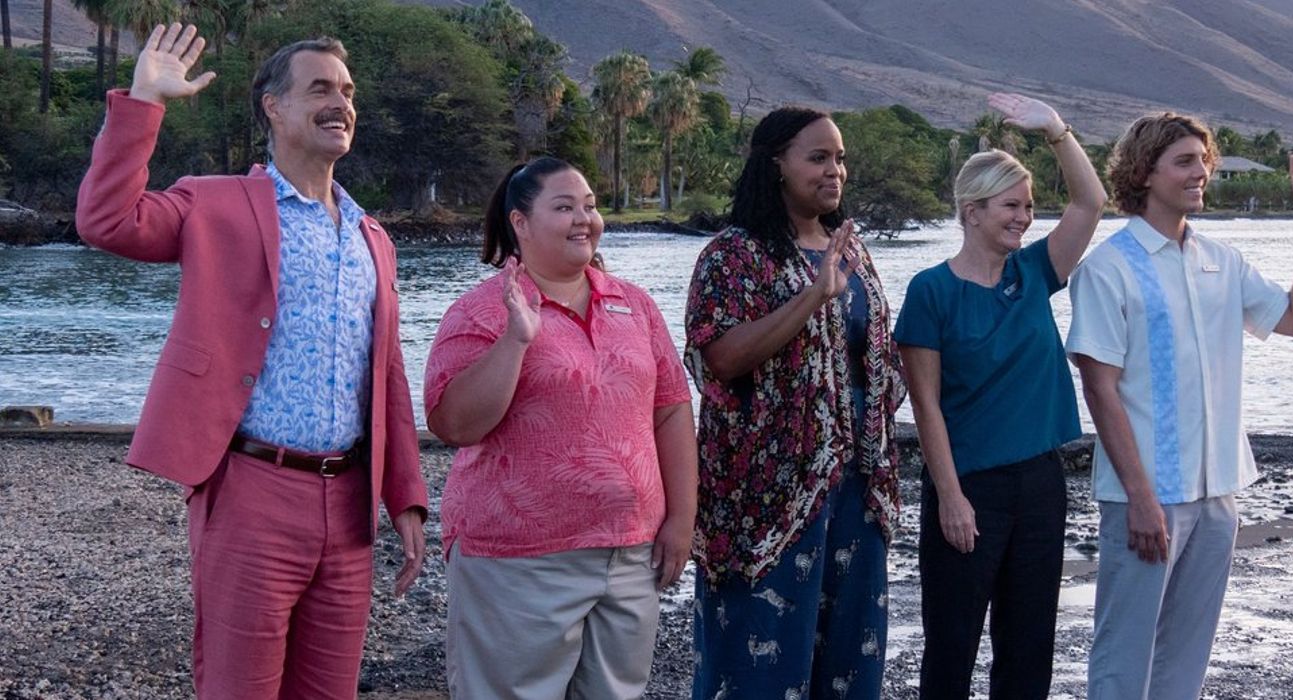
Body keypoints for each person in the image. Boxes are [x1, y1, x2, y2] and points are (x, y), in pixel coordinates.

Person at [74, 25, 428, 698]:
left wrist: (405, 496)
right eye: (319, 88)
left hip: (350, 505)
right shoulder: (215, 203)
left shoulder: (370, 236)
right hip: (251, 490)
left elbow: (384, 375)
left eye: (347, 92)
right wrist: (144, 101)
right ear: (273, 106)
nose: (339, 104)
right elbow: (105, 221)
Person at [1066, 113, 1293, 699]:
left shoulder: (1223, 261)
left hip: (1218, 496)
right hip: (1147, 497)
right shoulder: (1107, 269)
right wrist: (1139, 498)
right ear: (1144, 172)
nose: (1202, 172)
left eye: (1203, 160)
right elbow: (1099, 387)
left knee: (1188, 656)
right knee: (1123, 654)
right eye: (1185, 162)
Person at [423, 156, 697, 700]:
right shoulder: (481, 312)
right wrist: (515, 341)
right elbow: (453, 424)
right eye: (565, 207)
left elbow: (670, 409)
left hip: (629, 554)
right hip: (518, 560)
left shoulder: (633, 304)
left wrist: (682, 519)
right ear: (520, 223)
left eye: (590, 207)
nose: (585, 219)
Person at [685, 106, 906, 699]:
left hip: (857, 487)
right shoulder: (735, 254)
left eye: (839, 158)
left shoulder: (851, 253)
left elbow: (873, 358)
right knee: (759, 662)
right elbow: (722, 359)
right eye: (818, 157)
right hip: (766, 495)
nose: (834, 170)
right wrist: (812, 296)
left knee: (850, 659)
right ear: (776, 163)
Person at [895, 93, 1107, 699]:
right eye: (1012, 206)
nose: (1024, 218)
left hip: (1041, 482)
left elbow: (1091, 202)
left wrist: (1057, 131)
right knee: (952, 647)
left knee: (1029, 643)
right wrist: (950, 497)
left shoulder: (1034, 272)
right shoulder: (931, 291)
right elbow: (925, 405)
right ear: (972, 212)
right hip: (970, 488)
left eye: (1030, 206)